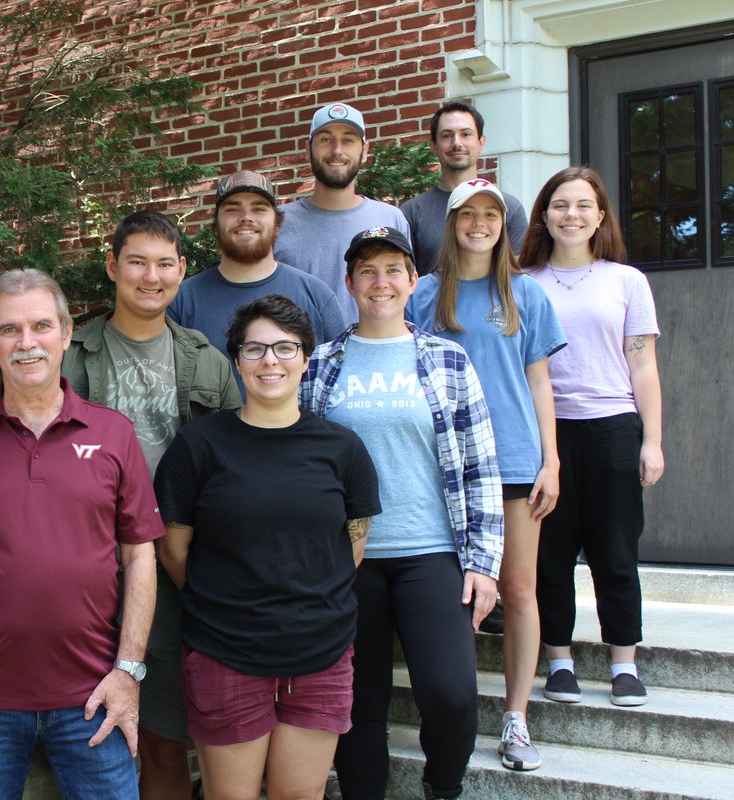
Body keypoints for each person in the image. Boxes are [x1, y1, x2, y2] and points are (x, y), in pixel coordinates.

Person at [0, 269, 163, 799]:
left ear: (67, 334)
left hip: (93, 694)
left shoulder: (113, 433)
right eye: (10, 330)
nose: (27, 343)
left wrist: (129, 672)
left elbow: (141, 557)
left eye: (41, 326)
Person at [301, 228, 504, 800]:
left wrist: (484, 563)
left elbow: (479, 464)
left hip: (431, 552)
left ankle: (443, 786)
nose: (380, 282)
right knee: (357, 702)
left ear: (413, 281)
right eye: (367, 271)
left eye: (393, 269)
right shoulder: (321, 364)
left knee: (450, 692)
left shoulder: (446, 359)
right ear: (349, 283)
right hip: (349, 560)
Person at [155, 295, 381, 800]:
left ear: (306, 357)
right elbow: (174, 551)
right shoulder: (198, 446)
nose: (270, 361)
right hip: (225, 652)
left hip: (320, 653)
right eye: (255, 349)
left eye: (285, 347)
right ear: (236, 360)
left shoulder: (343, 449)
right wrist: (229, 605)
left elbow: (353, 549)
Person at [61, 209, 241, 800]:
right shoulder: (70, 358)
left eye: (165, 264)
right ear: (112, 266)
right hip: (85, 565)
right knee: (82, 724)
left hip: (172, 566)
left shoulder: (207, 361)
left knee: (163, 734)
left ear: (183, 272)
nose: (150, 276)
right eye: (136, 262)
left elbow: (235, 464)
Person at [407, 179, 565, 771]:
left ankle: (517, 717)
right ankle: (452, 713)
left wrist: (550, 460)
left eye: (490, 214)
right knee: (454, 593)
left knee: (519, 590)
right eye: (467, 214)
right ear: (450, 223)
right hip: (445, 466)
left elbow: (540, 382)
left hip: (517, 462)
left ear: (506, 224)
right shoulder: (424, 294)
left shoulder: (528, 294)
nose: (479, 223)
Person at [520, 166, 664, 709]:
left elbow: (644, 366)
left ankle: (624, 663)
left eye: (583, 205)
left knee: (616, 552)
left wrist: (651, 440)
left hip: (612, 429)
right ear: (545, 215)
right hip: (547, 432)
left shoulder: (626, 281)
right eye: (560, 205)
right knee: (551, 555)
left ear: (600, 216)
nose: (571, 215)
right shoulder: (523, 283)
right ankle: (559, 660)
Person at [168, 169, 345, 395]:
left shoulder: (316, 295)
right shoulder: (182, 299)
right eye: (233, 209)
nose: (246, 217)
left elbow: (340, 383)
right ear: (215, 227)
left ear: (277, 224)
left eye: (259, 208)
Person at [276, 101, 411, 325]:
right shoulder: (278, 222)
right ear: (308, 148)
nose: (337, 151)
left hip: (373, 356)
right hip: (300, 358)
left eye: (348, 140)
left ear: (365, 151)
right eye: (326, 140)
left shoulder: (391, 219)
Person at [402, 101, 528, 276]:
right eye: (446, 136)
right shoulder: (412, 212)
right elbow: (404, 278)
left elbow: (516, 279)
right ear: (434, 146)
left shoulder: (509, 208)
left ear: (481, 142)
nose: (456, 143)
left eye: (466, 134)